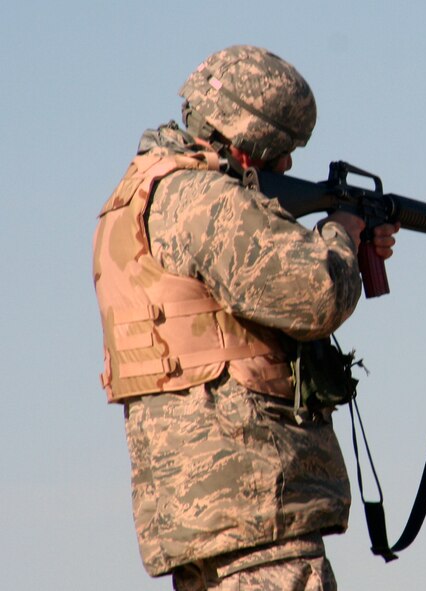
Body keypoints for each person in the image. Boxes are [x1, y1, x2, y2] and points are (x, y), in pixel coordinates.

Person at [92, 45, 399, 591]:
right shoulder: (207, 198)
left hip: (199, 521)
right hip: (260, 510)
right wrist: (342, 234)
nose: (285, 166)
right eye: (280, 150)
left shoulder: (134, 199)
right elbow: (316, 294)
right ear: (246, 137)